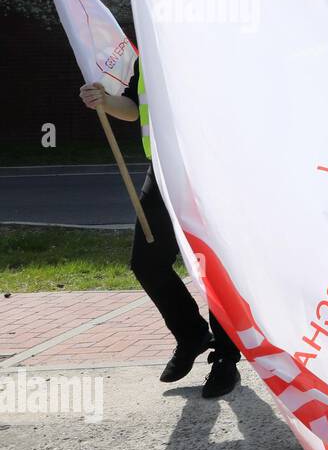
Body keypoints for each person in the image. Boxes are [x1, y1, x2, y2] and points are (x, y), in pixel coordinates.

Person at [78, 72, 241, 398]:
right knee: (146, 262)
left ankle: (226, 358)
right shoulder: (145, 46)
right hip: (163, 171)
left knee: (212, 266)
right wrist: (105, 100)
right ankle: (192, 333)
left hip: (210, 168)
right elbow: (135, 108)